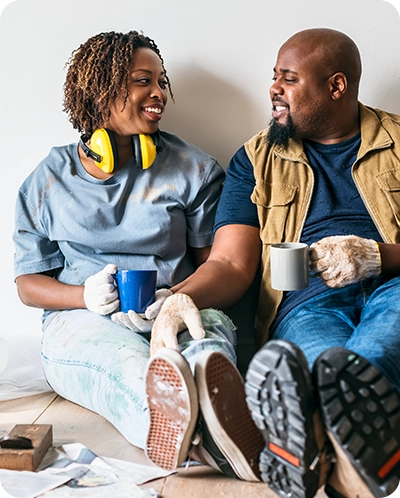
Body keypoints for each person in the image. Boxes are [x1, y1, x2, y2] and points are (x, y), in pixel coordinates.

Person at [151, 28, 400, 497]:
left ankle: (307, 440)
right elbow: (230, 264)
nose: (273, 89)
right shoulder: (254, 159)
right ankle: (352, 453)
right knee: (327, 362)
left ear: (337, 85)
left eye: (288, 78)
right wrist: (178, 298)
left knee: (369, 349)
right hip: (306, 302)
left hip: (394, 285)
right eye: (274, 77)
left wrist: (376, 256)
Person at [12, 30, 265, 478]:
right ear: (100, 89)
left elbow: (219, 265)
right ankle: (200, 437)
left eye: (161, 81)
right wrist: (83, 298)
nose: (159, 93)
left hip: (178, 303)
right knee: (127, 366)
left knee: (204, 347)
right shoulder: (47, 180)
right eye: (142, 81)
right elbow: (28, 285)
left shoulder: (194, 168)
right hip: (83, 322)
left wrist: (176, 301)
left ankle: (212, 423)